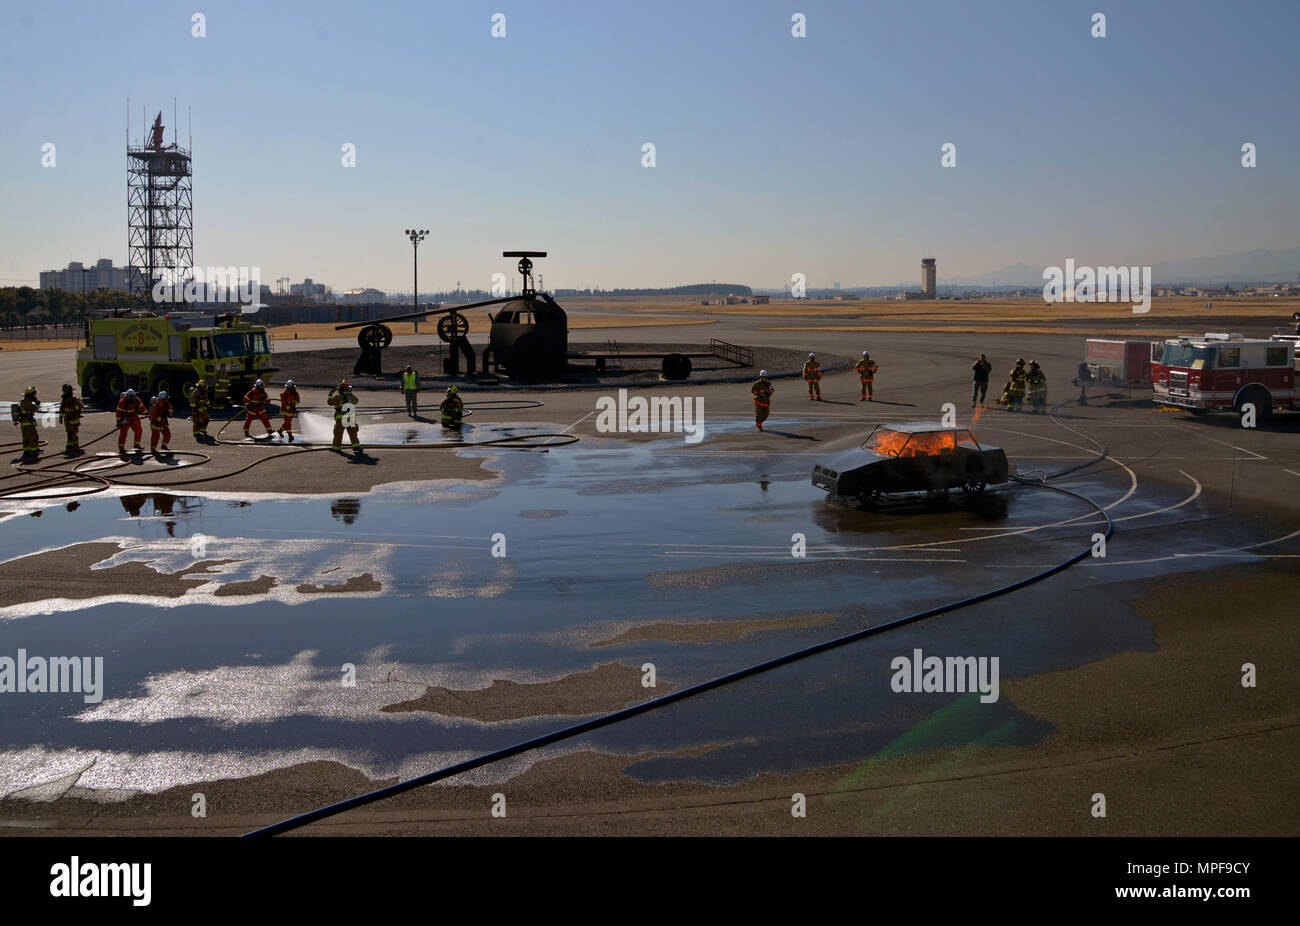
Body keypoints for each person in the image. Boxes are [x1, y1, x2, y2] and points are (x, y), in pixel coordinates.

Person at [328, 379, 362, 452]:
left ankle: (336, 448)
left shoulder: (337, 397)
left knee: (338, 433)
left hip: (341, 418)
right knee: (353, 433)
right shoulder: (351, 396)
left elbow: (329, 402)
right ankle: (356, 446)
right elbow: (356, 401)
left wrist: (330, 394)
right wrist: (350, 395)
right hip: (351, 418)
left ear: (340, 389)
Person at [12, 386, 40, 458]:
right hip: (28, 423)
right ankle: (34, 450)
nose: (35, 396)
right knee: (33, 436)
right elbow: (34, 408)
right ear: (31, 395)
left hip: (24, 423)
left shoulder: (24, 402)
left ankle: (27, 450)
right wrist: (37, 404)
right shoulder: (27, 403)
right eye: (34, 394)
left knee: (26, 437)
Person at [116, 388, 146, 453]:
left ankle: (136, 445)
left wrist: (146, 412)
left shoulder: (137, 399)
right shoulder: (122, 401)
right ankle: (121, 448)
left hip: (133, 416)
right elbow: (118, 412)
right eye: (131, 398)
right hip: (124, 418)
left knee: (138, 430)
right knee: (123, 433)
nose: (132, 399)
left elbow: (142, 407)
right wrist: (119, 422)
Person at [58, 384, 83, 454]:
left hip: (73, 418)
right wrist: (60, 417)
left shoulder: (75, 399)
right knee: (69, 431)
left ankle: (72, 444)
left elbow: (80, 407)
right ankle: (73, 443)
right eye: (64, 390)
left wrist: (77, 413)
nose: (64, 392)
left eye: (65, 390)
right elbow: (61, 408)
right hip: (67, 418)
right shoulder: (64, 400)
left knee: (72, 432)